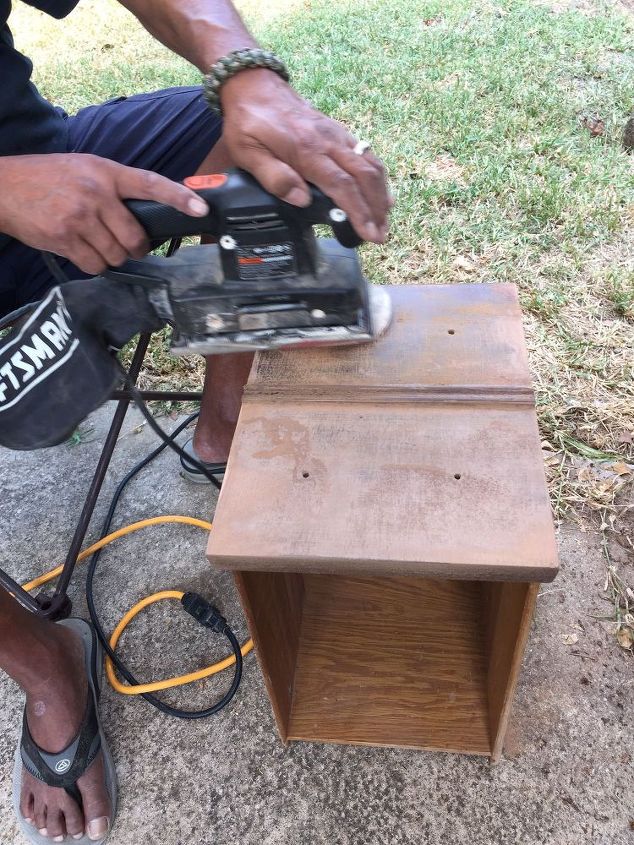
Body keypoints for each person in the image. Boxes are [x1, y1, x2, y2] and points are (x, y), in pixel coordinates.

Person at [0, 0, 391, 840]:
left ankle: (223, 430)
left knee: (263, 158)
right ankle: (45, 665)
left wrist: (241, 69)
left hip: (39, 163)